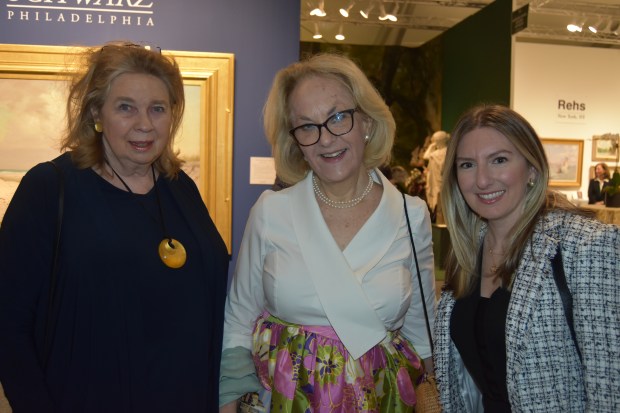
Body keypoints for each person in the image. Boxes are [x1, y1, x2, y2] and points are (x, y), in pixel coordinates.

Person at [0, 41, 229, 412]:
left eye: (158, 108)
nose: (144, 124)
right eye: (126, 107)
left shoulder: (180, 188)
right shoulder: (49, 188)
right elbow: (8, 324)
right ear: (96, 112)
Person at [219, 53, 436, 412]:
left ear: (366, 121)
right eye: (307, 126)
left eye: (338, 117)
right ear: (295, 142)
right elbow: (239, 320)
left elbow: (420, 326)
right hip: (285, 399)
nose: (325, 138)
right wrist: (230, 401)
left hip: (379, 398)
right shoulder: (271, 212)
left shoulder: (411, 216)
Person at [434, 104, 620, 412]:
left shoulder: (584, 247)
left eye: (499, 160)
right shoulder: (466, 253)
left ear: (532, 168)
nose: (482, 180)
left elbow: (610, 391)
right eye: (467, 165)